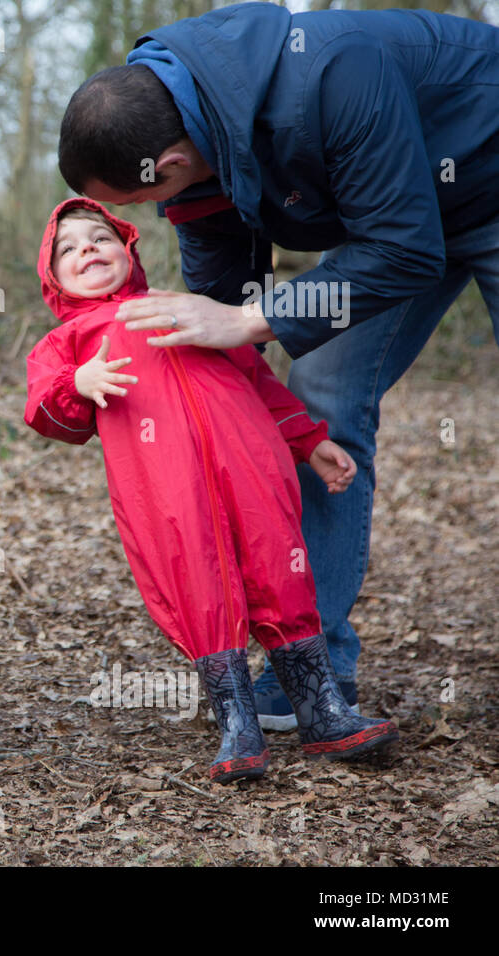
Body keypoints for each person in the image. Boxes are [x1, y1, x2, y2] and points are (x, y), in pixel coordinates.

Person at [56, 3, 499, 728]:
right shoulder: (194, 151)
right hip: (389, 223)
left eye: (139, 203)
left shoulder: (334, 72)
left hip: (473, 184)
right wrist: (209, 417)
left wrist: (252, 319)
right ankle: (312, 667)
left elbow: (404, 248)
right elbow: (223, 305)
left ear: (165, 165)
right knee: (321, 391)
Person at [25, 197, 397, 783]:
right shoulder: (67, 342)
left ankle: (322, 711)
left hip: (252, 465)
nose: (86, 250)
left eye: (98, 237)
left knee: (282, 566)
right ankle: (237, 725)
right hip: (165, 491)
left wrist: (308, 439)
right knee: (199, 581)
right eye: (68, 249)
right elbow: (48, 413)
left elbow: (258, 380)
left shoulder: (182, 309)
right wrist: (79, 380)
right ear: (53, 277)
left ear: (127, 250)